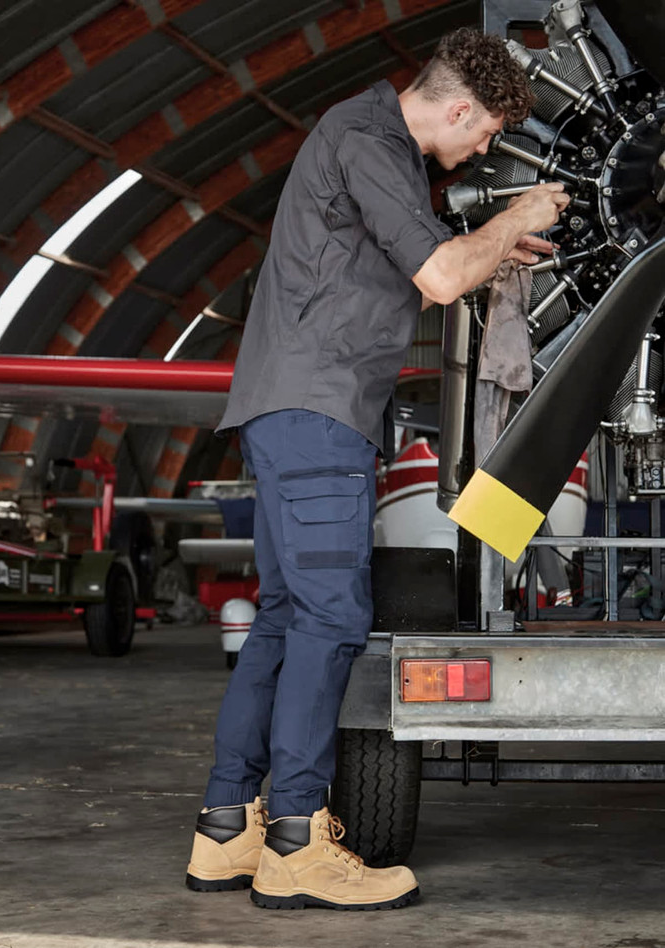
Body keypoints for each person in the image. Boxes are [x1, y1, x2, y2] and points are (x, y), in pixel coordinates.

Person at [185, 27, 570, 911]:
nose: (481, 151)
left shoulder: (365, 140)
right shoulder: (370, 139)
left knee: (285, 619)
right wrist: (516, 215)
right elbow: (439, 276)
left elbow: (427, 260)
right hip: (318, 416)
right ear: (461, 109)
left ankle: (226, 829)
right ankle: (296, 840)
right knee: (331, 621)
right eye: (487, 133)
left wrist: (491, 248)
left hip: (292, 413)